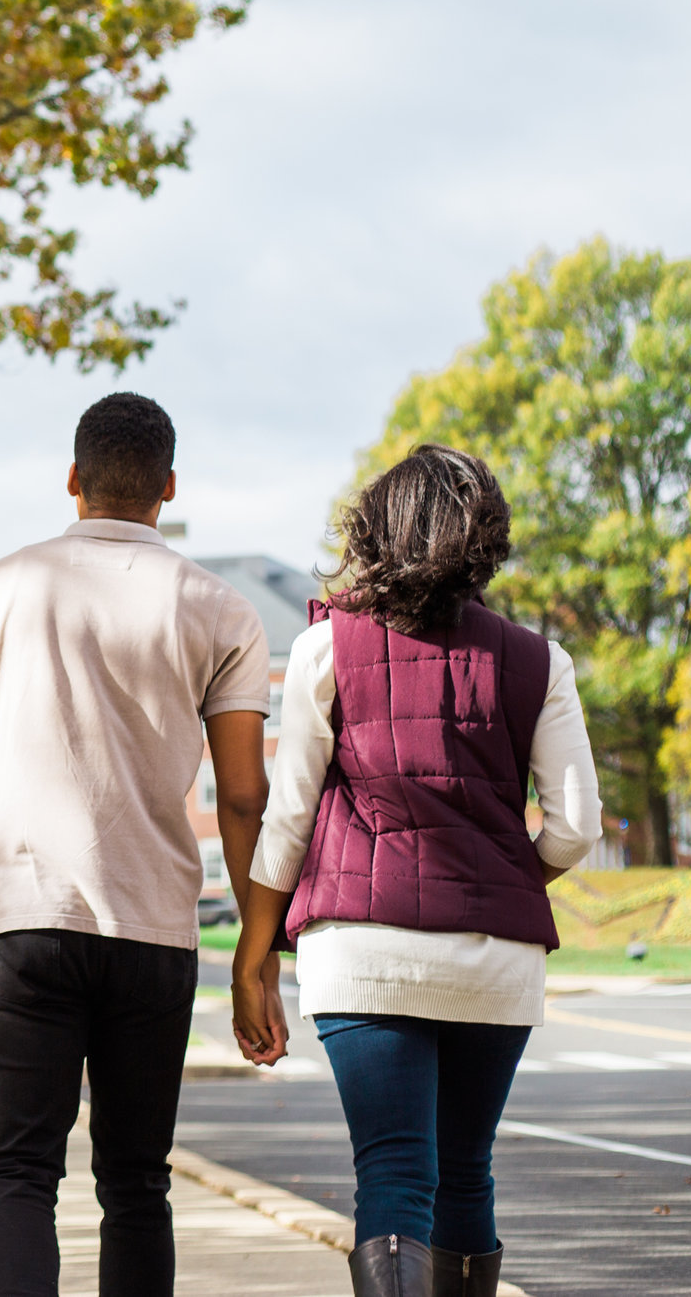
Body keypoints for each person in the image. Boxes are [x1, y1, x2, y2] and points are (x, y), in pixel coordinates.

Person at [0, 392, 282, 1297]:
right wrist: (253, 955)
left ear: (73, 480)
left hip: (25, 921)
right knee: (137, 1185)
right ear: (169, 486)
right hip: (154, 929)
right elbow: (241, 792)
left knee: (18, 1174)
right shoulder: (222, 611)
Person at [229, 444, 602, 1297]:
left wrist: (254, 957)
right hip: (493, 957)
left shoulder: (326, 648)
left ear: (378, 529)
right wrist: (509, 875)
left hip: (362, 952)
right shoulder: (541, 662)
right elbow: (577, 826)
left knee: (394, 1173)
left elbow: (287, 818)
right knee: (467, 1170)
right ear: (486, 538)